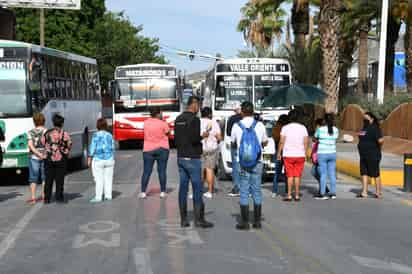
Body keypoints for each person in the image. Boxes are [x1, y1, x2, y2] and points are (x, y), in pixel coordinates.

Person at [175, 96, 214, 228]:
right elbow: (194, 138)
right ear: (194, 104)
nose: (199, 108)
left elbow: (176, 139)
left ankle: (183, 219)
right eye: (198, 105)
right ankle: (199, 220)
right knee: (197, 188)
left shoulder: (178, 119)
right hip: (193, 158)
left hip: (181, 157)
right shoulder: (195, 119)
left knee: (183, 188)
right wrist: (203, 136)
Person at [231, 101, 268, 230]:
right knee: (257, 190)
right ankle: (257, 222)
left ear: (242, 111)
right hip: (257, 161)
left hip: (243, 163)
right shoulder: (260, 125)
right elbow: (264, 142)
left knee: (244, 190)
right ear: (253, 111)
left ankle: (245, 222)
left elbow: (233, 143)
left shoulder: (236, 126)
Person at [277, 110, 308, 202]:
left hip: (288, 155)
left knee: (289, 175)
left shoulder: (285, 128)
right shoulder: (303, 128)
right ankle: (297, 195)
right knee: (297, 176)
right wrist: (305, 153)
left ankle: (289, 195)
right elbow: (305, 142)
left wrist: (279, 153)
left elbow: (282, 141)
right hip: (300, 155)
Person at [139, 106, 170, 199]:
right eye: (161, 112)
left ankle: (143, 192)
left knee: (147, 171)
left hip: (148, 149)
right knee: (162, 171)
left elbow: (144, 132)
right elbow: (168, 133)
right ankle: (163, 192)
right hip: (162, 149)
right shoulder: (163, 123)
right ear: (158, 113)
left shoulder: (146, 123)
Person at [42, 114, 72, 204]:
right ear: (62, 123)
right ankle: (59, 197)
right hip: (61, 158)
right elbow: (69, 144)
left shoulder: (47, 133)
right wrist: (65, 150)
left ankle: (47, 198)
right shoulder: (64, 133)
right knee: (60, 179)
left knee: (48, 179)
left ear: (53, 123)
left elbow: (43, 142)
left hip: (49, 158)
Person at [88, 118, 115, 203]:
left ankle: (98, 197)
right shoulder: (110, 135)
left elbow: (92, 148)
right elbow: (113, 147)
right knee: (108, 178)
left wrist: (89, 158)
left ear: (97, 126)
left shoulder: (95, 135)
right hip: (109, 159)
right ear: (106, 125)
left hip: (98, 159)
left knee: (99, 179)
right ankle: (108, 195)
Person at [357, 112, 384, 199]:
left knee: (375, 173)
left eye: (366, 118)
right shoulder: (364, 128)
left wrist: (378, 147)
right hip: (363, 155)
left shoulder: (375, 128)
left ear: (372, 119)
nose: (365, 120)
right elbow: (360, 136)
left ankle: (378, 192)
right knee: (364, 173)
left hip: (373, 154)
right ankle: (364, 192)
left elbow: (380, 140)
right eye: (364, 118)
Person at [314, 114, 339, 200]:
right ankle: (333, 193)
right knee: (332, 174)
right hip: (332, 153)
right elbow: (336, 139)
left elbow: (315, 138)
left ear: (324, 120)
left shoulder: (320, 129)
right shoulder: (335, 130)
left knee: (323, 174)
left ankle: (322, 194)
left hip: (322, 153)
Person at [200, 107, 222, 199]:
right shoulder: (214, 123)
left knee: (200, 170)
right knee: (209, 169)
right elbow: (219, 138)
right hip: (212, 149)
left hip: (200, 148)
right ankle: (209, 191)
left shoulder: (198, 122)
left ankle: (198, 190)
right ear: (210, 114)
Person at [27, 113, 47, 204]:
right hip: (45, 156)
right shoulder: (47, 132)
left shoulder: (30, 132)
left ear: (34, 121)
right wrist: (43, 154)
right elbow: (48, 145)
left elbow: (30, 146)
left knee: (33, 178)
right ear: (43, 121)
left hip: (34, 157)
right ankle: (44, 196)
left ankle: (33, 197)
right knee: (44, 177)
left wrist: (38, 153)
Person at [226, 103, 242, 197]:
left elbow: (228, 132)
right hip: (248, 147)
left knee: (236, 167)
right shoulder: (249, 119)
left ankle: (237, 187)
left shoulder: (232, 119)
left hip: (235, 145)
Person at [271, 114, 289, 197]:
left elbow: (274, 137)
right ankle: (287, 191)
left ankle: (274, 191)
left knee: (277, 172)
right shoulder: (288, 128)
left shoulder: (277, 127)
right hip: (287, 152)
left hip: (278, 151)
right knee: (287, 173)